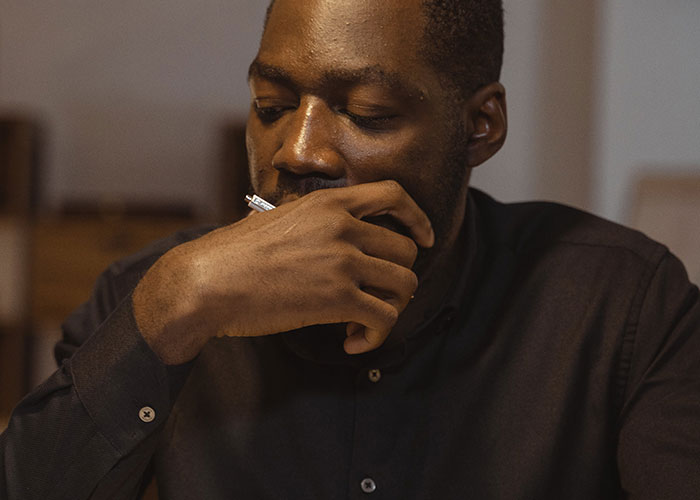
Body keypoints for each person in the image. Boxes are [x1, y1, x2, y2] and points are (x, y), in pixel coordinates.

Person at [2, 0, 699, 498]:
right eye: (271, 106)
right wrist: (171, 307)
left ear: (479, 126)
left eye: (366, 113)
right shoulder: (150, 296)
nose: (297, 151)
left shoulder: (624, 308)